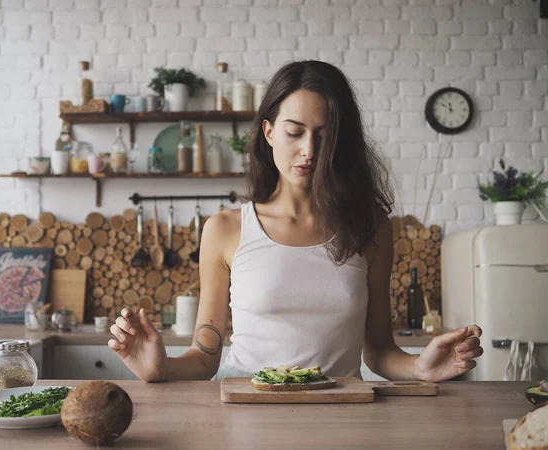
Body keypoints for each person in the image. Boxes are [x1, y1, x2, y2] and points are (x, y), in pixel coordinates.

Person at [108, 60, 483, 383]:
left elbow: (380, 350)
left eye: (325, 136)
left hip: (339, 421)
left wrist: (421, 367)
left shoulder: (371, 228)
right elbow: (206, 356)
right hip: (243, 417)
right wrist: (162, 368)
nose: (309, 151)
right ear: (269, 132)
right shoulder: (225, 229)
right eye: (294, 132)